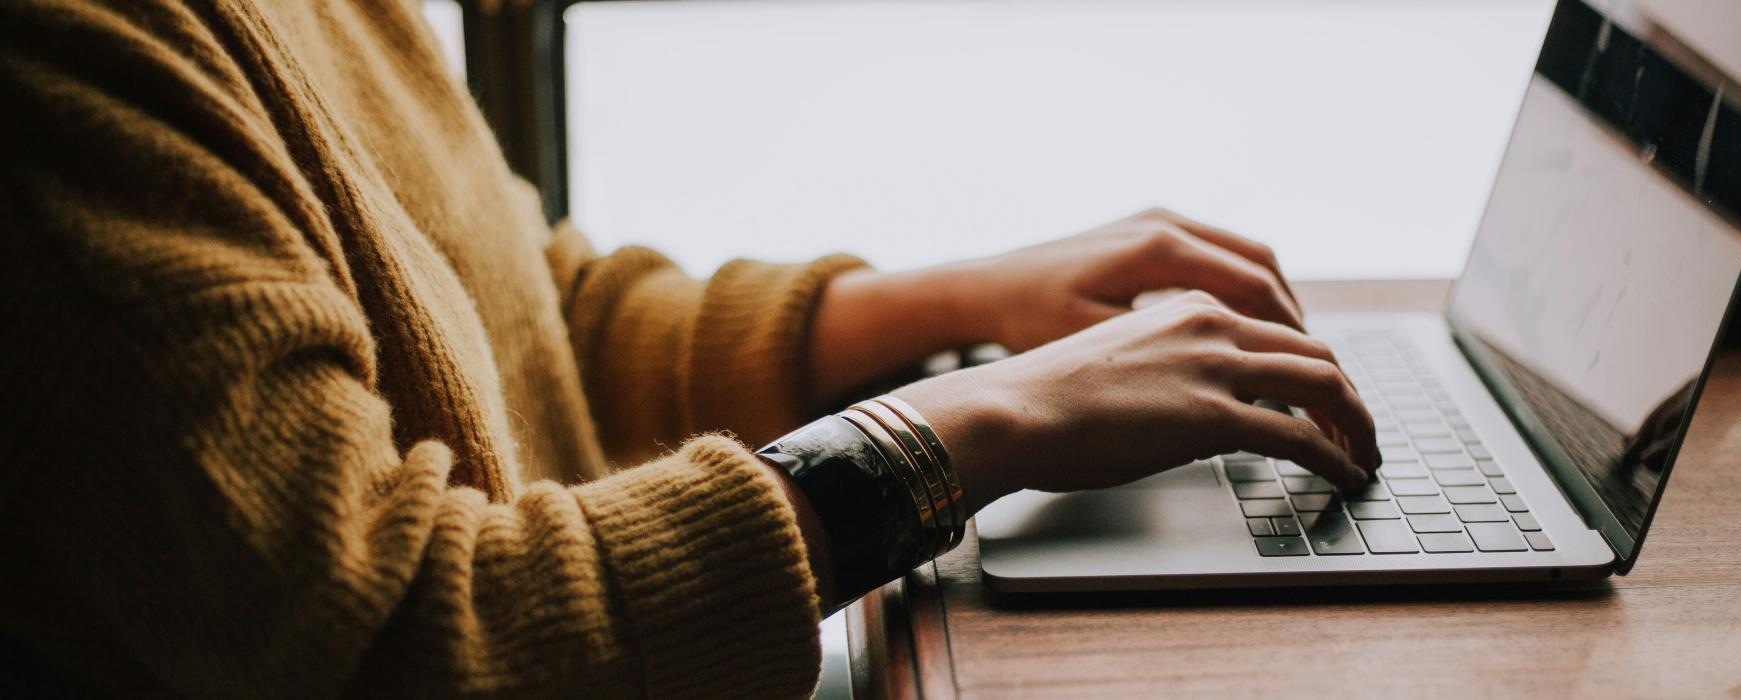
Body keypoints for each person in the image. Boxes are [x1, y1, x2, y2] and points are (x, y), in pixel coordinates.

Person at [0, 0, 1377, 696]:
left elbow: (519, 313)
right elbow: (407, 645)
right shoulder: (60, 64)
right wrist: (975, 426)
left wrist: (956, 303)